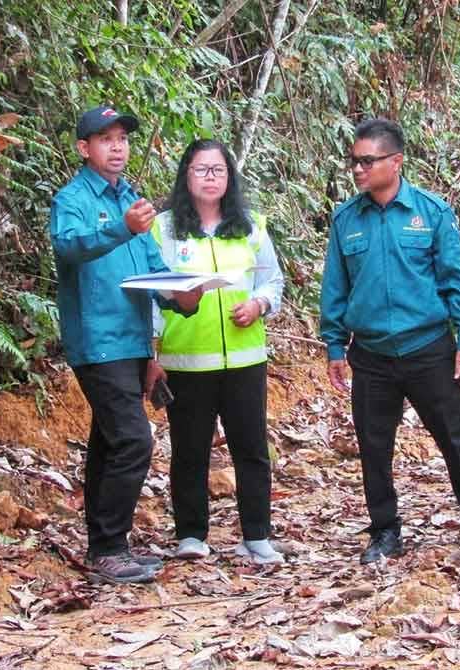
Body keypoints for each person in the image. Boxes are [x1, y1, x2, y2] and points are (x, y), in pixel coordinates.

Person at [319, 118, 460, 565]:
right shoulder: (347, 220)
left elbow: (456, 282)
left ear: (395, 162)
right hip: (373, 355)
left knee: (454, 435)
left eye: (367, 161)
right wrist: (333, 345)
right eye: (354, 162)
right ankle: (384, 531)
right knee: (374, 445)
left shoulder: (431, 213)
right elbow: (335, 288)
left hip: (428, 349)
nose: (358, 170)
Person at [49, 106, 202, 584]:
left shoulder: (133, 200)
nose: (117, 147)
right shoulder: (72, 199)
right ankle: (110, 548)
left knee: (108, 441)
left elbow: (153, 272)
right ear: (84, 148)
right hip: (98, 340)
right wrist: (122, 228)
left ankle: (104, 543)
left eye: (122, 139)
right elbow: (69, 247)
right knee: (135, 439)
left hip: (133, 340)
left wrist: (183, 297)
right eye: (105, 139)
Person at [150, 139, 286, 565]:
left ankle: (257, 535)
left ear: (230, 178)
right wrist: (150, 353)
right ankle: (191, 534)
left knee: (251, 447)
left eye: (219, 170)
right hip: (185, 358)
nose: (211, 178)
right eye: (201, 170)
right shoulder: (163, 229)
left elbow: (273, 282)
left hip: (245, 359)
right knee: (189, 450)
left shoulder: (251, 226)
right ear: (185, 176)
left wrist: (259, 304)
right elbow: (150, 293)